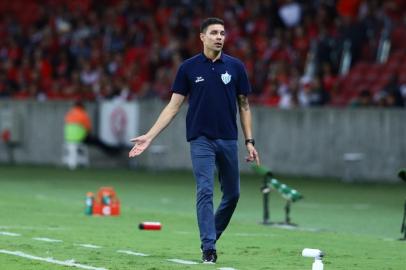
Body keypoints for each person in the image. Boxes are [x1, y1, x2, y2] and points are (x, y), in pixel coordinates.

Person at [129, 17, 260, 264]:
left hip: (228, 139)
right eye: (214, 33)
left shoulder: (236, 67)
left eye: (222, 33)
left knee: (233, 195)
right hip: (200, 139)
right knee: (205, 189)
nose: (219, 37)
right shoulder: (188, 68)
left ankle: (211, 234)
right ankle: (209, 247)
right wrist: (149, 135)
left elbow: (244, 105)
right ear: (202, 37)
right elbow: (173, 107)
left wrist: (249, 141)